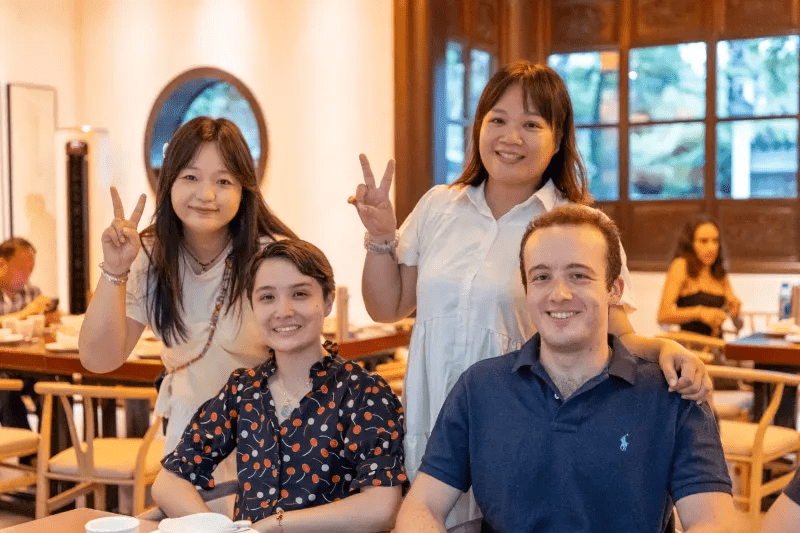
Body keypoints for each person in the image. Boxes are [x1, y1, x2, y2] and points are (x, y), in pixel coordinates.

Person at [349, 61, 712, 529]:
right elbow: (387, 306)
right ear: (479, 126)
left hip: (522, 431)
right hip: (435, 420)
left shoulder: (576, 226)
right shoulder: (440, 206)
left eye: (531, 124)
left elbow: (616, 336)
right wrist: (381, 236)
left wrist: (665, 349)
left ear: (558, 139)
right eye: (497, 119)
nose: (511, 137)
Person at [394, 204, 734, 533]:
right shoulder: (479, 388)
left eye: (578, 275)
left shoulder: (673, 393)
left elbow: (714, 521)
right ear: (527, 291)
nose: (558, 293)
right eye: (541, 277)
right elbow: (422, 507)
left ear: (614, 290)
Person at [79, 117, 295, 511]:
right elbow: (99, 359)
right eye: (191, 177)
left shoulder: (272, 256)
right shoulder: (149, 254)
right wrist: (115, 269)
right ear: (169, 182)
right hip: (188, 443)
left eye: (224, 181)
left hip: (268, 437)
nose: (206, 194)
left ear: (245, 188)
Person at [152, 239, 406, 531]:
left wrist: (276, 525)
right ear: (252, 306)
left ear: (328, 301)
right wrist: (216, 527)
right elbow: (168, 482)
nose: (283, 311)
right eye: (267, 297)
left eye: (300, 294)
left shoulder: (363, 392)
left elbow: (381, 507)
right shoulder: (243, 390)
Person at [0, 237, 52, 437]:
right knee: (6, 389)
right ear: (2, 264)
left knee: (54, 385)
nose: (28, 274)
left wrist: (51, 318)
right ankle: (27, 449)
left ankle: (54, 447)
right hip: (3, 367)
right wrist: (26, 313)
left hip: (27, 365)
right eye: (22, 268)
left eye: (31, 268)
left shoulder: (31, 291)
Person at [658, 214, 741, 338]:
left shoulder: (719, 272)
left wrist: (735, 314)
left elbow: (738, 325)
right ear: (690, 243)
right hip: (691, 346)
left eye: (715, 241)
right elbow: (663, 316)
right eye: (704, 241)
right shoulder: (681, 266)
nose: (711, 248)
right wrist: (699, 313)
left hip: (716, 345)